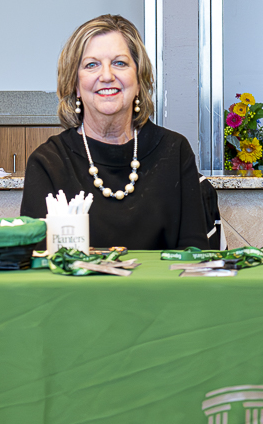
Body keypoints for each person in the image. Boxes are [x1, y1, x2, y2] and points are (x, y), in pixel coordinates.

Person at [21, 15, 214, 250]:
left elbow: (194, 255)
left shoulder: (175, 150)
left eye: (120, 63)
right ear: (75, 84)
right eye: (91, 65)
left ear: (139, 79)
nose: (106, 76)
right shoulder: (48, 162)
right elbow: (39, 259)